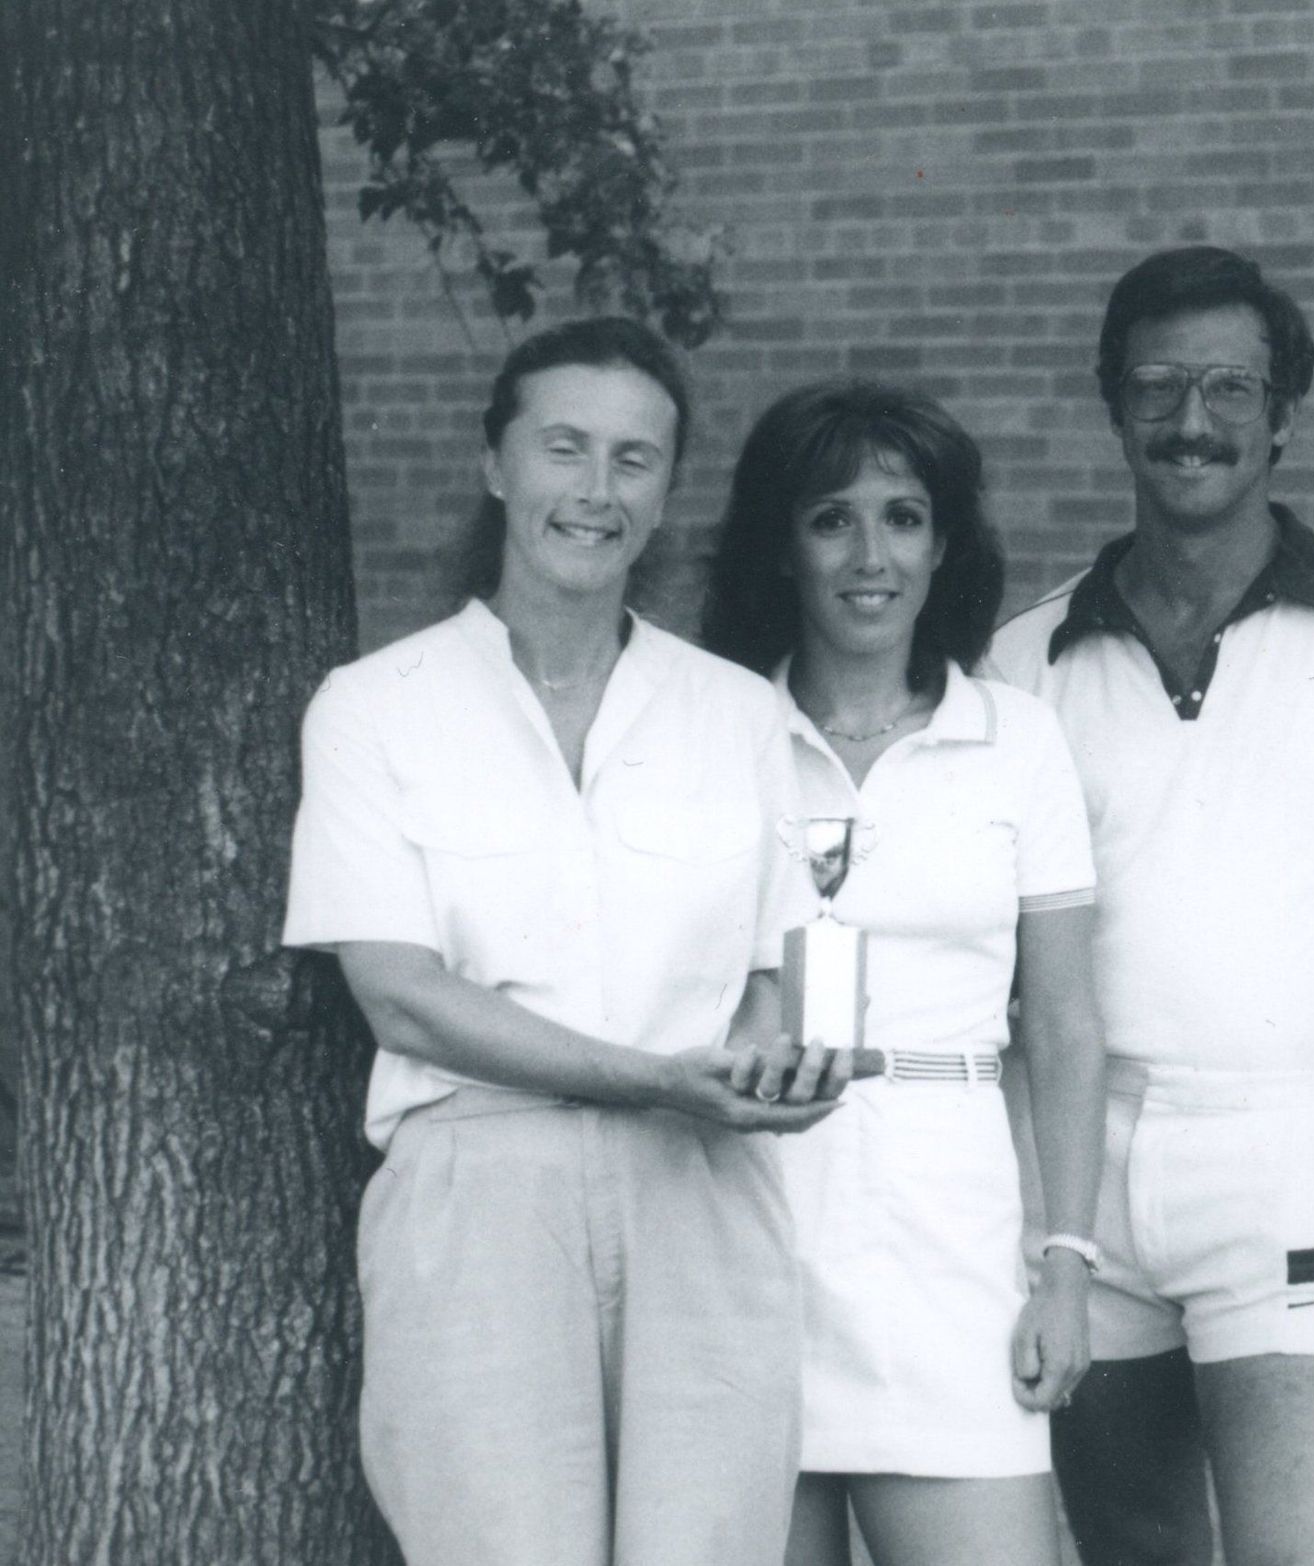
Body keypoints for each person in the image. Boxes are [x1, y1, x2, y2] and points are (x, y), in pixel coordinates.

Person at [282, 316, 834, 1566]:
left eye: (634, 459)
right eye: (564, 448)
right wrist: (652, 1077)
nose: (596, 490)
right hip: (478, 1191)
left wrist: (768, 1062)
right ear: (496, 463)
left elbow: (773, 967)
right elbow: (398, 995)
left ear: (665, 491)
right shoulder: (376, 707)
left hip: (699, 1188)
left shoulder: (734, 713)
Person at [987, 245, 1314, 1566]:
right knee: (1134, 1552)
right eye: (1156, 386)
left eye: (1229, 387)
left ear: (1283, 415)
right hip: (1081, 1168)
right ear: (1114, 407)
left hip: (1295, 1149)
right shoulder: (1020, 659)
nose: (1191, 420)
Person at [700, 380, 1107, 1566]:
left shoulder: (1018, 738)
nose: (869, 556)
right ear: (781, 546)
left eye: (903, 518)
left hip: (951, 1233)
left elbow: (1065, 1024)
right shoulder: (711, 733)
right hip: (747, 1222)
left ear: (944, 546)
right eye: (830, 519)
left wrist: (1066, 1267)